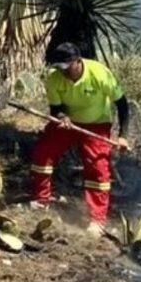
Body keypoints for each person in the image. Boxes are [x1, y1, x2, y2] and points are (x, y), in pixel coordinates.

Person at [29, 42, 130, 236]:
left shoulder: (100, 74)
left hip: (97, 124)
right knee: (43, 153)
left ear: (77, 61)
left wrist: (123, 136)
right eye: (59, 68)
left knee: (98, 169)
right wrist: (61, 117)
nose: (64, 72)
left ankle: (97, 220)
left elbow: (122, 104)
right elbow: (56, 108)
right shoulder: (54, 78)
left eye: (67, 67)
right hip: (68, 124)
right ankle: (41, 201)